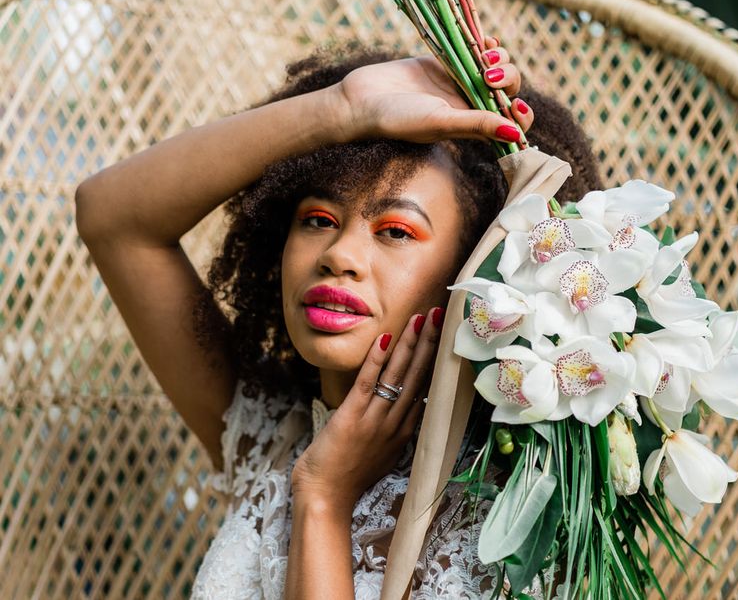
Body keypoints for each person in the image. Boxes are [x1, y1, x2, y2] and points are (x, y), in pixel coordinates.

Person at [74, 39, 602, 598]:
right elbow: (109, 216)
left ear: (477, 269)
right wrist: (341, 108)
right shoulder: (268, 434)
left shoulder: (513, 515)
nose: (339, 255)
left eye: (396, 231)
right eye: (319, 219)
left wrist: (323, 498)